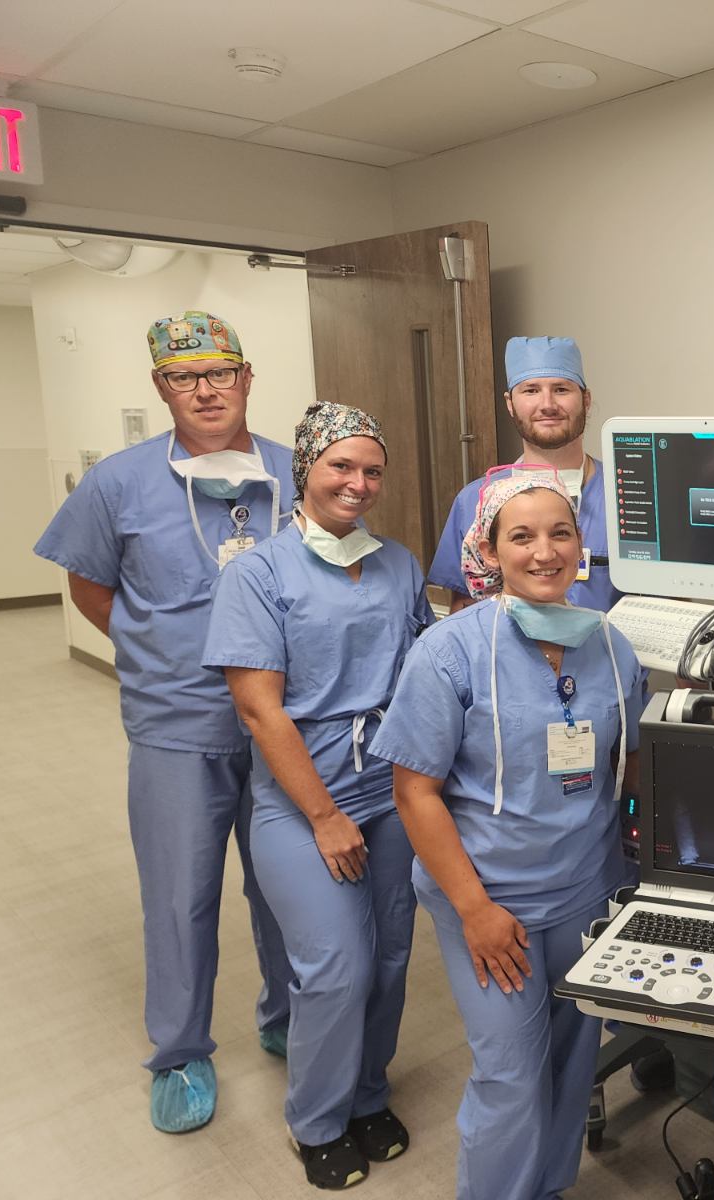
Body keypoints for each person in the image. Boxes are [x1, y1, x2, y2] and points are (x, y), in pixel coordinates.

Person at [33, 310, 294, 1133]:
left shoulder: (298, 473)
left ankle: (287, 1014)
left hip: (287, 723)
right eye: (185, 376)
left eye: (221, 371)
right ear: (160, 387)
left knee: (287, 886)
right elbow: (90, 586)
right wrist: (157, 652)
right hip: (176, 723)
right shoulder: (119, 482)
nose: (205, 389)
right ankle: (180, 1051)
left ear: (249, 378)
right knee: (180, 895)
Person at [370, 471, 643, 1200]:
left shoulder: (611, 648)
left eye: (560, 533)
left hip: (586, 890)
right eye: (521, 536)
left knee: (570, 1061)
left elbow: (629, 766)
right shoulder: (450, 653)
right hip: (493, 902)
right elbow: (414, 791)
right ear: (488, 550)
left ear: (580, 547)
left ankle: (547, 1189)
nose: (545, 551)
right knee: (511, 1074)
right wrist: (476, 910)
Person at [203, 402, 431, 1189]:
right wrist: (327, 816)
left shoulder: (399, 563)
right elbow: (259, 709)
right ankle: (318, 1119)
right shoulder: (257, 573)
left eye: (371, 469)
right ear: (306, 470)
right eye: (341, 466)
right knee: (336, 964)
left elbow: (421, 677)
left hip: (391, 786)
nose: (358, 483)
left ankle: (369, 1092)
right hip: (303, 802)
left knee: (393, 955)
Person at [428, 336, 617, 614]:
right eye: (530, 390)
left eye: (562, 389)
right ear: (510, 403)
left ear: (585, 400)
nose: (548, 404)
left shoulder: (629, 493)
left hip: (610, 654)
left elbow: (670, 603)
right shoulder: (474, 501)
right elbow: (465, 611)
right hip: (507, 654)